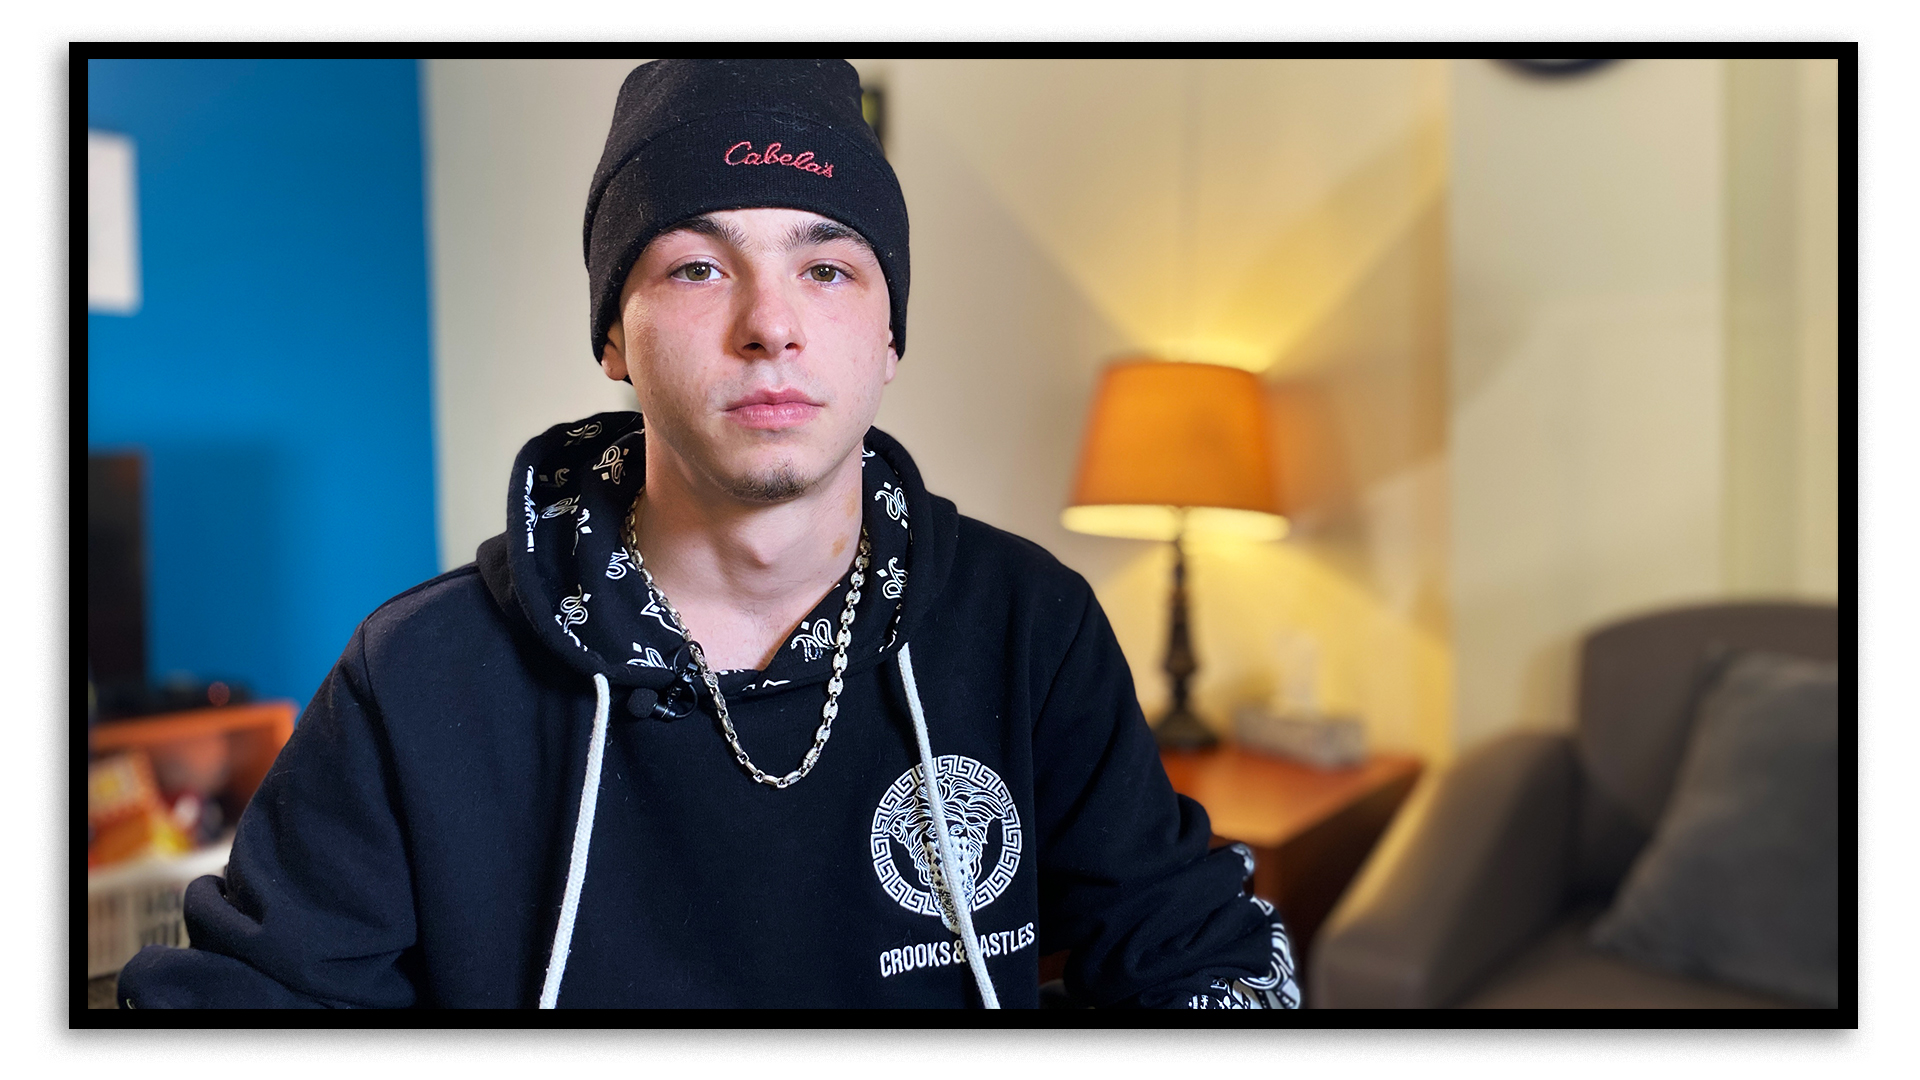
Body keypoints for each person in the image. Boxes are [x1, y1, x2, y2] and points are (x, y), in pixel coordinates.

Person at [117, 58, 1300, 1010]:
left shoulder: (1027, 624)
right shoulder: (419, 677)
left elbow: (1195, 949)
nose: (770, 325)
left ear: (890, 336)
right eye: (696, 265)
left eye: (829, 267)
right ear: (614, 339)